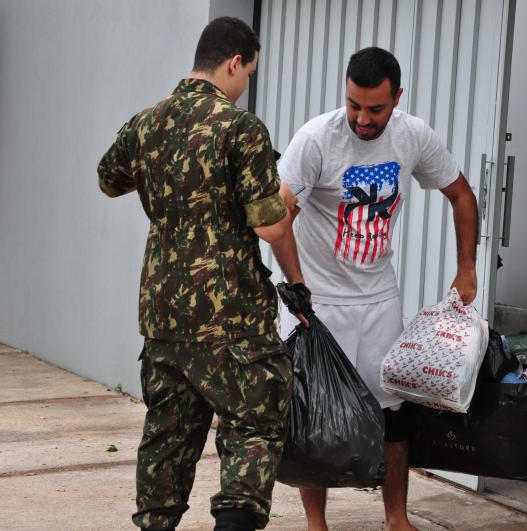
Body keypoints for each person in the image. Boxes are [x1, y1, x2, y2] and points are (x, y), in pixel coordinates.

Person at [97, 17, 305, 531]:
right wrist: (283, 200)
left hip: (164, 314)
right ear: (235, 62)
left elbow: (108, 180)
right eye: (249, 73)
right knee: (253, 428)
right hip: (231, 319)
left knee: (167, 436)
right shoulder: (241, 128)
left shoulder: (147, 123)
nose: (246, 84)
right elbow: (270, 229)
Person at [276, 47, 479, 531]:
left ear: (397, 98)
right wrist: (296, 288)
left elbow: (461, 195)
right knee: (314, 413)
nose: (362, 119)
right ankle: (316, 524)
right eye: (353, 105)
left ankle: (396, 518)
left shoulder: (414, 136)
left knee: (395, 414)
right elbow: (281, 214)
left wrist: (467, 268)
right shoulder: (316, 139)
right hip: (317, 302)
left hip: (378, 299)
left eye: (375, 109)